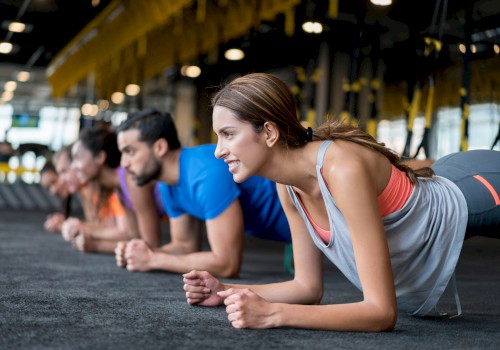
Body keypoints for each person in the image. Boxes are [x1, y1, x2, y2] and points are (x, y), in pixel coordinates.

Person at [183, 72, 500, 331]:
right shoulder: (288, 187)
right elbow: (307, 288)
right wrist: (225, 290)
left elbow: (381, 313)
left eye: (228, 134)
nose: (218, 150)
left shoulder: (340, 170)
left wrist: (272, 314)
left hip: (480, 186)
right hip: (446, 176)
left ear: (268, 132)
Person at [115, 108, 292, 278]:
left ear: (160, 147)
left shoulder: (204, 174)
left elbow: (227, 264)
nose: (124, 164)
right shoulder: (168, 184)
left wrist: (153, 259)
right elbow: (184, 246)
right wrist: (141, 253)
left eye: (130, 152)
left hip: (314, 222)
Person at [70, 126, 167, 250]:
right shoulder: (119, 187)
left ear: (100, 157)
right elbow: (133, 235)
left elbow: (150, 245)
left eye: (78, 158)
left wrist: (96, 245)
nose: (73, 167)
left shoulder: (131, 179)